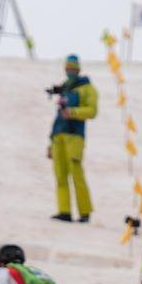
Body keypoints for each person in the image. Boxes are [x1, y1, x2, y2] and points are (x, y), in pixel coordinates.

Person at [48, 55, 98, 224]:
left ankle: (85, 212)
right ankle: (64, 211)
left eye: (72, 68)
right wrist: (50, 141)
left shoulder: (87, 88)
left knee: (77, 173)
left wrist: (74, 112)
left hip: (74, 135)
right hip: (59, 135)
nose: (69, 71)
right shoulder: (65, 89)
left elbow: (92, 111)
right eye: (67, 68)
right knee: (60, 175)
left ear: (78, 69)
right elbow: (57, 117)